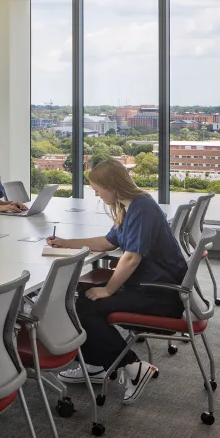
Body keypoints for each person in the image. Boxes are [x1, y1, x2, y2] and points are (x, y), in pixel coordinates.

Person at [47, 157, 188, 405]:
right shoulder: (131, 206)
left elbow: (132, 257)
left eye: (98, 189)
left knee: (84, 307)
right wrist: (66, 243)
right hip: (149, 287)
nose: (95, 193)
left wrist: (109, 290)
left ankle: (132, 366)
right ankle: (96, 365)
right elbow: (108, 242)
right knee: (82, 297)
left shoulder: (141, 209)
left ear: (112, 187)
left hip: (159, 295)